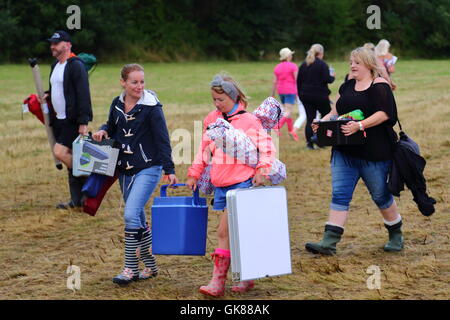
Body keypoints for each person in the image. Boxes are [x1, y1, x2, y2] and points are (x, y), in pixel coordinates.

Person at [305, 47, 403, 256]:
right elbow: (336, 110)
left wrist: (360, 126)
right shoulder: (348, 85)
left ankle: (396, 235)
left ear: (368, 64)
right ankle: (328, 242)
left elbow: (385, 113)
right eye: (351, 62)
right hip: (344, 152)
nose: (352, 65)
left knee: (380, 195)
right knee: (340, 194)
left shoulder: (379, 86)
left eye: (356, 62)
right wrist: (322, 122)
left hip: (374, 153)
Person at [186, 74, 276, 297]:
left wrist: (261, 170)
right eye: (214, 100)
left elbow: (267, 148)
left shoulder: (248, 121)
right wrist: (194, 173)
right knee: (238, 233)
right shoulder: (212, 119)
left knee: (223, 231)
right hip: (221, 185)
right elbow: (204, 150)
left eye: (221, 100)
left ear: (234, 97)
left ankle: (217, 283)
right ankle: (247, 276)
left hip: (242, 183)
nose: (217, 104)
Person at [92, 64, 178, 285]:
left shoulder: (151, 107)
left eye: (142, 82)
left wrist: (169, 170)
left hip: (149, 167)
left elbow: (163, 139)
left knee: (130, 214)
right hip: (124, 168)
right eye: (134, 82)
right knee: (137, 216)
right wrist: (103, 130)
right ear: (123, 82)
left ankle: (130, 268)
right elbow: (112, 126)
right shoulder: (117, 103)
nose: (139, 86)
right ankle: (149, 265)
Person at [42, 30, 93, 210]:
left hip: (72, 119)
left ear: (67, 44)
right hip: (59, 119)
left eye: (56, 43)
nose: (52, 47)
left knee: (61, 153)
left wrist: (83, 122)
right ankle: (78, 200)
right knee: (73, 156)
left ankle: (90, 178)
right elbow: (58, 88)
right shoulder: (55, 65)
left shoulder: (75, 65)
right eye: (51, 43)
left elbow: (83, 94)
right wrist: (47, 95)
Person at [297, 44, 335, 149]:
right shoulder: (322, 65)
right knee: (325, 117)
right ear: (321, 53)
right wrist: (333, 76)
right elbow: (327, 79)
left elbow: (298, 81)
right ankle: (321, 140)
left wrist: (300, 95)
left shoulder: (304, 64)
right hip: (320, 95)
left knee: (310, 118)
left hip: (306, 95)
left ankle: (309, 143)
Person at [272, 47, 299, 141]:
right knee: (288, 111)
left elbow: (274, 82)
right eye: (291, 54)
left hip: (281, 91)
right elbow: (297, 80)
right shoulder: (293, 66)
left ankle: (291, 131)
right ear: (288, 56)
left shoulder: (277, 67)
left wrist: (272, 94)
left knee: (287, 112)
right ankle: (276, 127)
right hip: (290, 90)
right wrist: (298, 92)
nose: (292, 56)